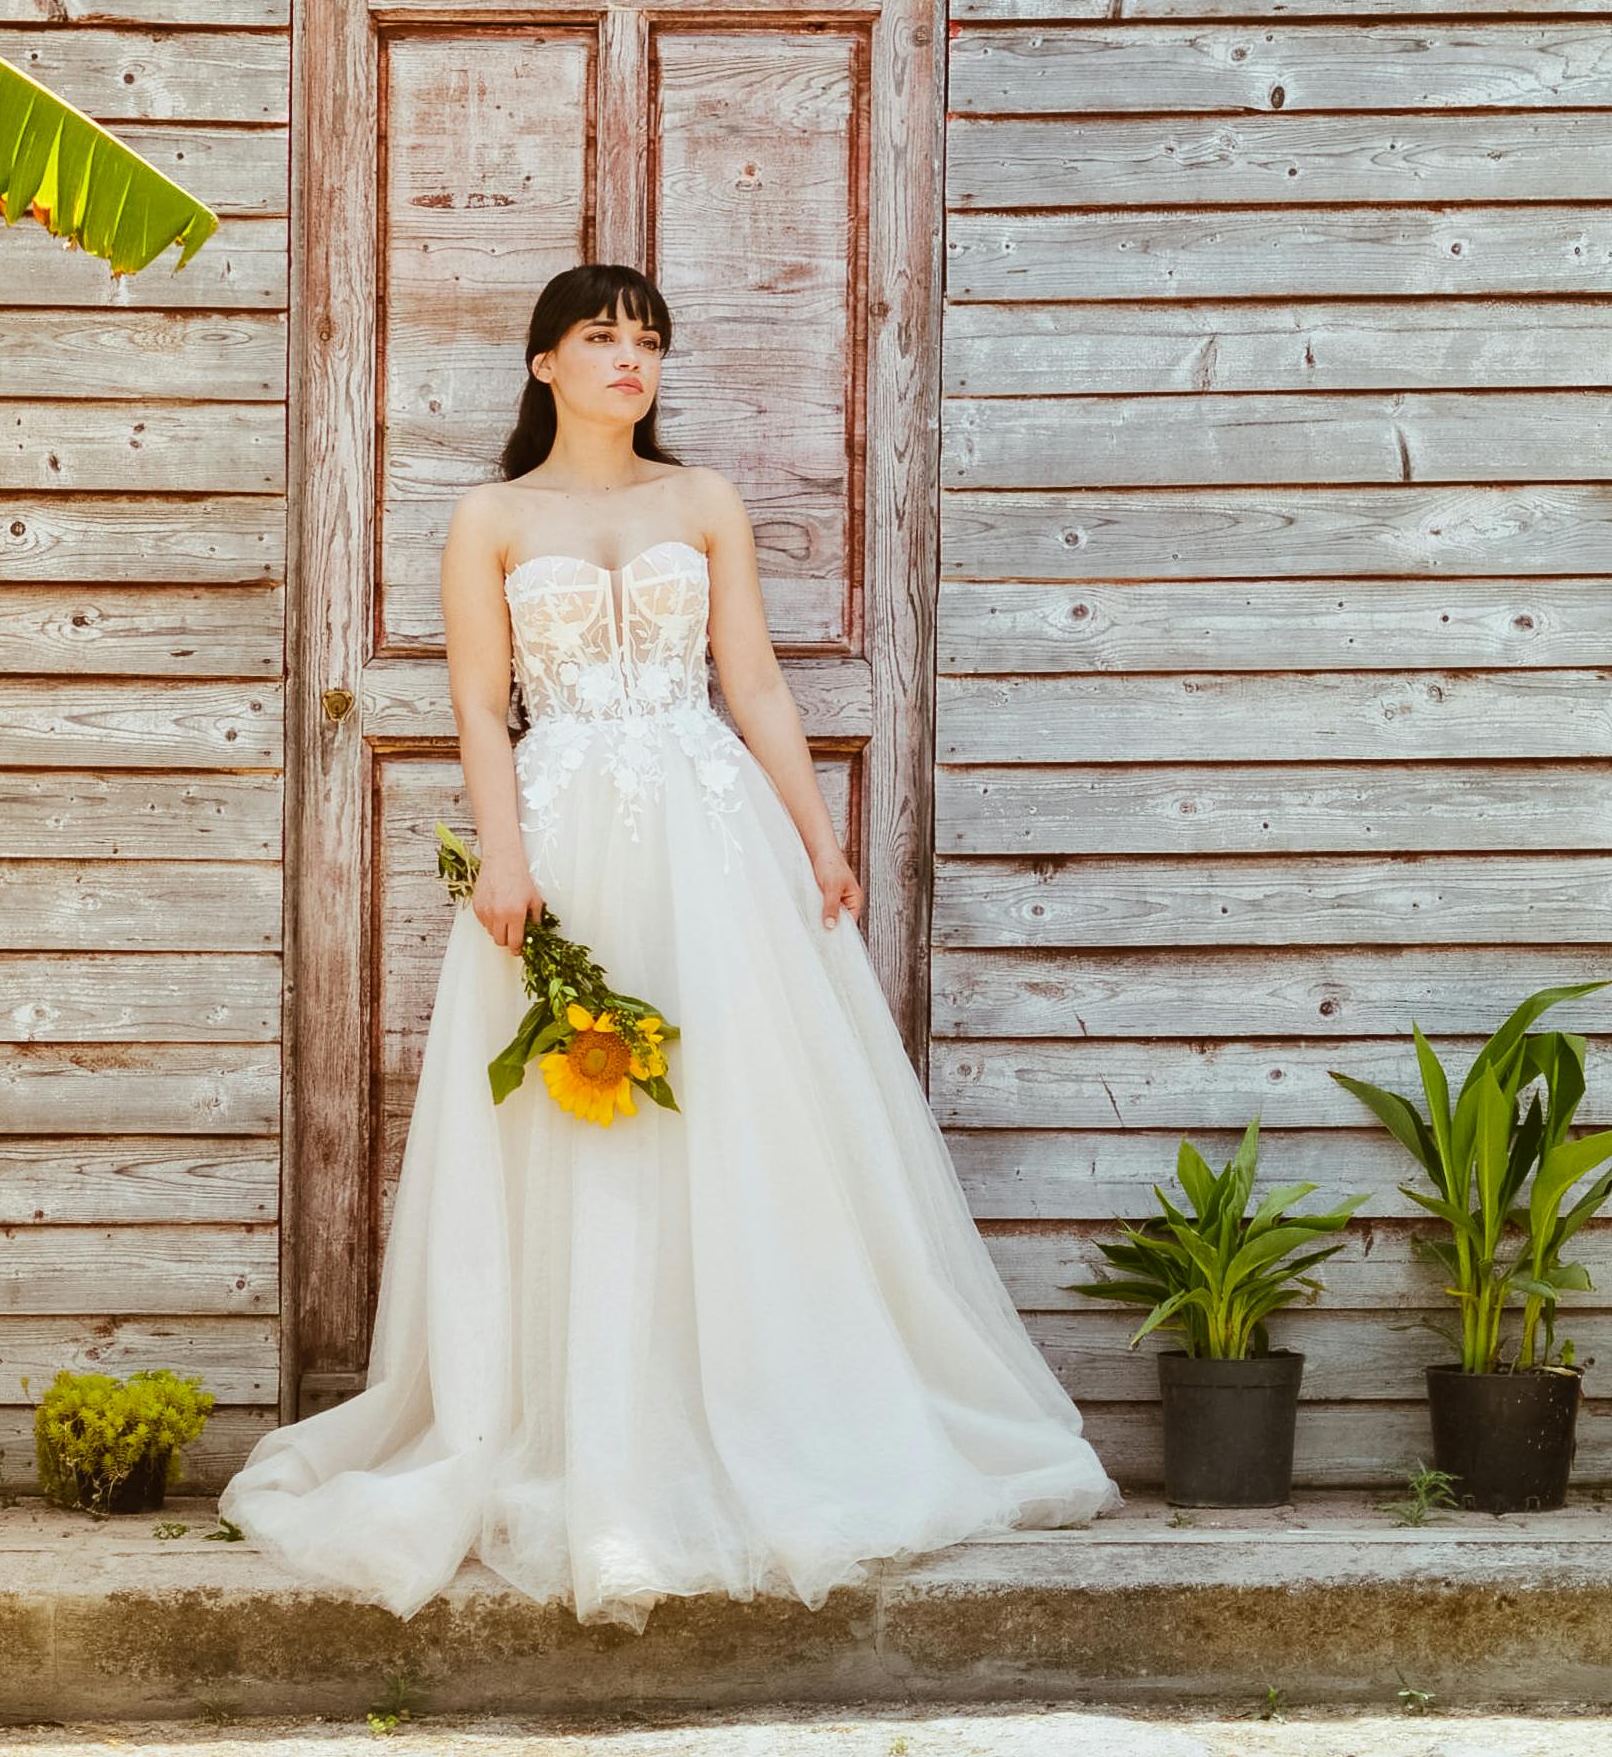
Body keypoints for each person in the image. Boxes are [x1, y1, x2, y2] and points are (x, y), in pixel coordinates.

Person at [220, 262, 1119, 1624]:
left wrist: (816, 836)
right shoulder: (491, 517)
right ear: (545, 364)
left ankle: (770, 1416)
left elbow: (751, 678)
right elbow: (479, 708)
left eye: (647, 339)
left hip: (712, 835)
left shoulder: (700, 503)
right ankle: (578, 1433)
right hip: (569, 832)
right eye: (601, 337)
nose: (630, 358)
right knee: (579, 1124)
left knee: (741, 1115)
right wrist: (505, 854)